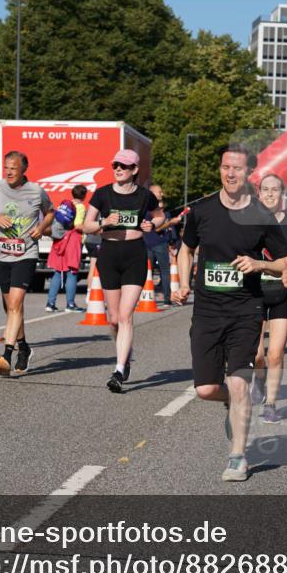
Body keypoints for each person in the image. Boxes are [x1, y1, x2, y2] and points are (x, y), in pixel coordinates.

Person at [172, 144, 287, 483]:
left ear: (248, 174)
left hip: (246, 310)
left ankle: (238, 457)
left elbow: (286, 262)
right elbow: (186, 249)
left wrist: (259, 263)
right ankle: (235, 400)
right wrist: (182, 282)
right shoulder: (201, 210)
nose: (230, 173)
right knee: (206, 390)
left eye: (237, 169)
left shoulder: (260, 214)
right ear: (220, 169)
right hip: (207, 311)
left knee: (240, 385)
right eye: (225, 167)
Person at [82, 149, 164, 392]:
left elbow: (158, 217)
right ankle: (125, 354)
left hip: (135, 255)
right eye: (115, 165)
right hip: (109, 254)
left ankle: (119, 370)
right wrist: (102, 223)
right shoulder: (102, 195)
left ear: (135, 170)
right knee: (114, 319)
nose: (118, 169)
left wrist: (152, 224)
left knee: (126, 315)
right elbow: (86, 226)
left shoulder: (144, 196)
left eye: (124, 166)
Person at [0, 150, 54, 376]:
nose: (8, 172)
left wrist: (42, 227)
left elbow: (50, 212)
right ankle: (24, 347)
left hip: (26, 253)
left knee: (15, 303)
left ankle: (7, 354)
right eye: (6, 167)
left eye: (13, 168)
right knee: (11, 307)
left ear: (24, 169)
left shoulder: (36, 191)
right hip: (1, 255)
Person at [251, 173, 287, 424]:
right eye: (266, 189)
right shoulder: (249, 223)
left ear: (282, 193)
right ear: (259, 194)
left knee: (276, 353)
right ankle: (260, 379)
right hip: (254, 293)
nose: (270, 193)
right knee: (257, 355)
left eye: (275, 189)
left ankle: (271, 404)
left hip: (282, 293)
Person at [45, 187, 86, 313]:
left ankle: (50, 303)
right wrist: (90, 228)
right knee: (72, 272)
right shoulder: (81, 207)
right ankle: (70, 304)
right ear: (84, 196)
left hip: (60, 240)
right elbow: (78, 225)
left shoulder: (64, 205)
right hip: (73, 240)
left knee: (58, 272)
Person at [143, 184, 173, 306]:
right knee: (164, 271)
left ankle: (145, 298)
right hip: (157, 243)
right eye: (159, 192)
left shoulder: (144, 206)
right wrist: (170, 222)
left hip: (148, 242)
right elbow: (158, 227)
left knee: (147, 272)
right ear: (152, 193)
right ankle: (166, 299)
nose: (162, 194)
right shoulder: (154, 208)